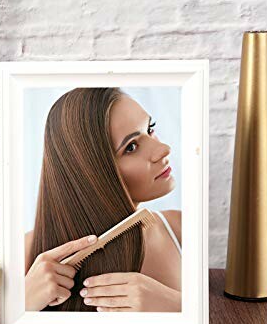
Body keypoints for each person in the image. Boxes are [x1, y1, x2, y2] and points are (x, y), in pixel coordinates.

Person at [24, 87, 181, 312]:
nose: (163, 149)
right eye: (132, 147)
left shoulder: (180, 229)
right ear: (91, 174)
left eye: (150, 129)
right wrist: (22, 306)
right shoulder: (28, 252)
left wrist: (176, 306)